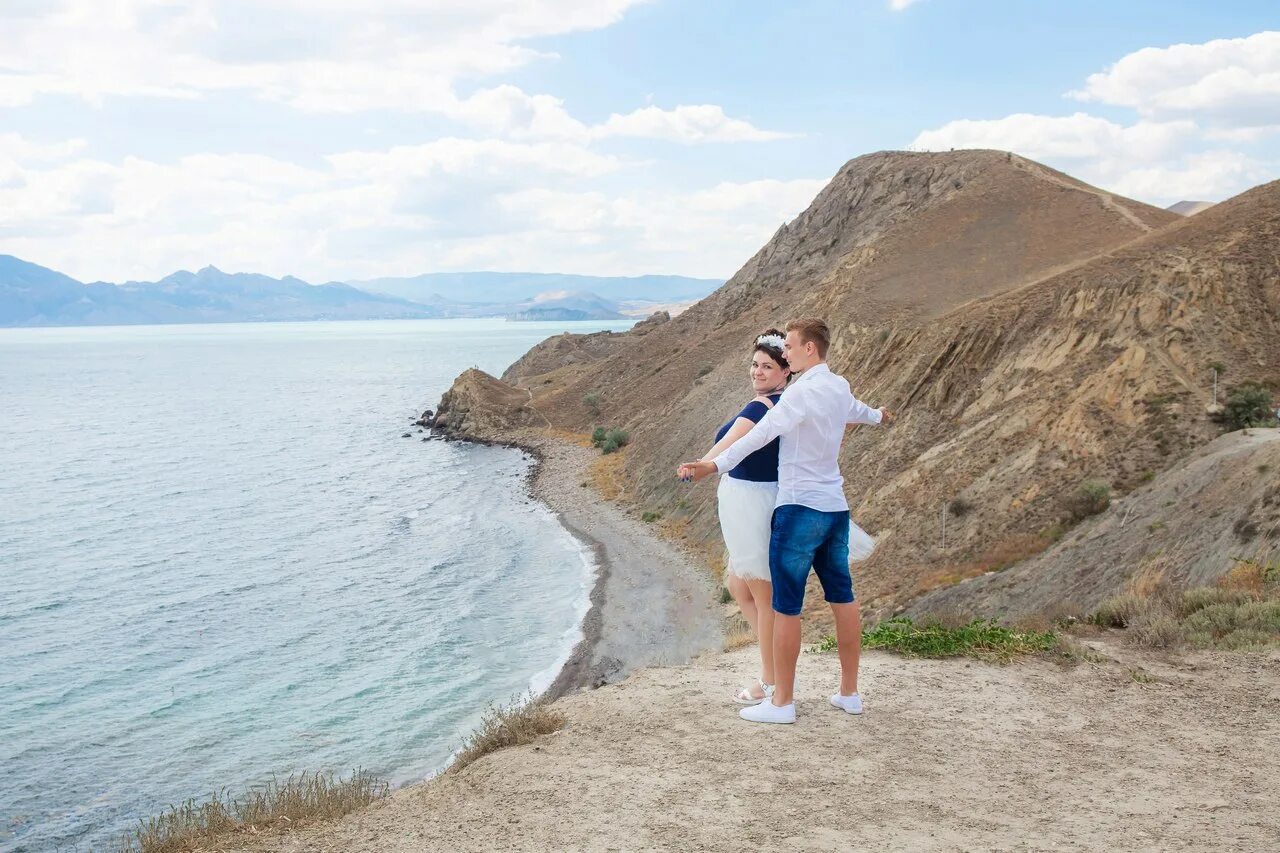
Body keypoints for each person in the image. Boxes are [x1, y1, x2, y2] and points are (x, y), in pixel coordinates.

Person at [678, 319, 894, 724]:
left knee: (785, 606)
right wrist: (881, 417)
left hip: (798, 510)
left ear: (810, 349)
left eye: (791, 348)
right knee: (842, 599)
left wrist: (711, 466)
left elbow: (757, 437)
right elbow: (862, 413)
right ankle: (850, 693)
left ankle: (782, 703)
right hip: (835, 508)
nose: (788, 355)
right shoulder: (839, 386)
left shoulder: (798, 395)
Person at [696, 329, 791, 705]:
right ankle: (770, 660)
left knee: (761, 594)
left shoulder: (760, 408)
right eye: (754, 365)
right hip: (753, 499)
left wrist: (701, 465)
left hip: (755, 503)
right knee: (740, 587)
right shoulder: (781, 402)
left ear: (786, 370)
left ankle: (770, 681)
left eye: (767, 366)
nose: (758, 372)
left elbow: (729, 444)